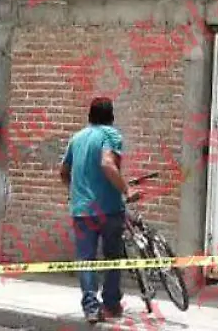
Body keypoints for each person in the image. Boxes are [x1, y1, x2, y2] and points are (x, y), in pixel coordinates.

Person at [59, 97, 129, 324]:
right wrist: (126, 190)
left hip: (82, 210)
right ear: (111, 116)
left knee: (86, 259)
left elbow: (63, 172)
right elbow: (107, 164)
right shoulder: (110, 134)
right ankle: (111, 304)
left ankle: (91, 308)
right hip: (109, 208)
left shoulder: (77, 138)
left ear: (89, 115)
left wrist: (75, 192)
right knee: (112, 258)